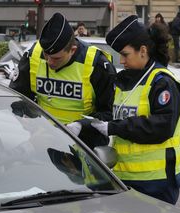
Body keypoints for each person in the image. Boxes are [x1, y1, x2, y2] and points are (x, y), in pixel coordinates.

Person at [68, 15, 180, 205]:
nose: (121, 61)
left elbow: (162, 126)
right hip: (124, 177)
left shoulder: (162, 82)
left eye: (125, 54)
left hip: (156, 181)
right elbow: (111, 117)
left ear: (143, 51)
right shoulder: (125, 80)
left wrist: (115, 128)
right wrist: (84, 124)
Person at [9, 12, 117, 149]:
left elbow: (110, 113)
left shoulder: (96, 64)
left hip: (84, 147)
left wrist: (81, 125)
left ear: (72, 50)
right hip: (43, 141)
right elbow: (16, 96)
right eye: (46, 55)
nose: (49, 62)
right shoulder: (34, 56)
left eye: (56, 58)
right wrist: (25, 117)